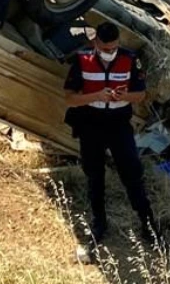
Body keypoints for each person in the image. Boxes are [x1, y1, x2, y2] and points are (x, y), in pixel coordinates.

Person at [63, 21, 159, 250]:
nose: (111, 53)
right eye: (106, 50)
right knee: (94, 176)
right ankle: (99, 223)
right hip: (91, 124)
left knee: (132, 172)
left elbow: (140, 94)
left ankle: (148, 224)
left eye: (114, 48)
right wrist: (96, 95)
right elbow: (69, 97)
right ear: (96, 43)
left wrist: (124, 96)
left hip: (118, 125)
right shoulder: (82, 60)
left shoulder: (128, 59)